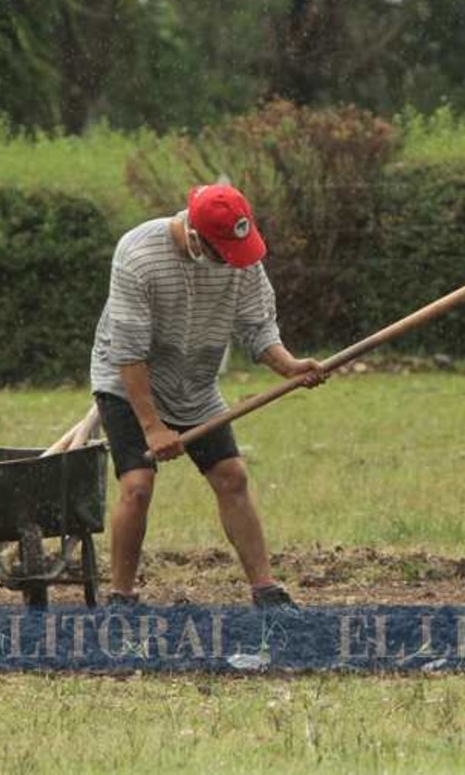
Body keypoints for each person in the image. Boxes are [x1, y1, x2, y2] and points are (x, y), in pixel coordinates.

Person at [89, 183, 326, 608]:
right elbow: (128, 352)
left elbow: (257, 324)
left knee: (232, 476)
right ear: (196, 237)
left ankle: (266, 592)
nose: (233, 262)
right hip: (128, 382)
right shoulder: (138, 255)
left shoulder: (239, 254)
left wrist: (288, 365)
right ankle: (121, 599)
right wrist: (153, 427)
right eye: (223, 253)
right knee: (138, 485)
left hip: (194, 382)